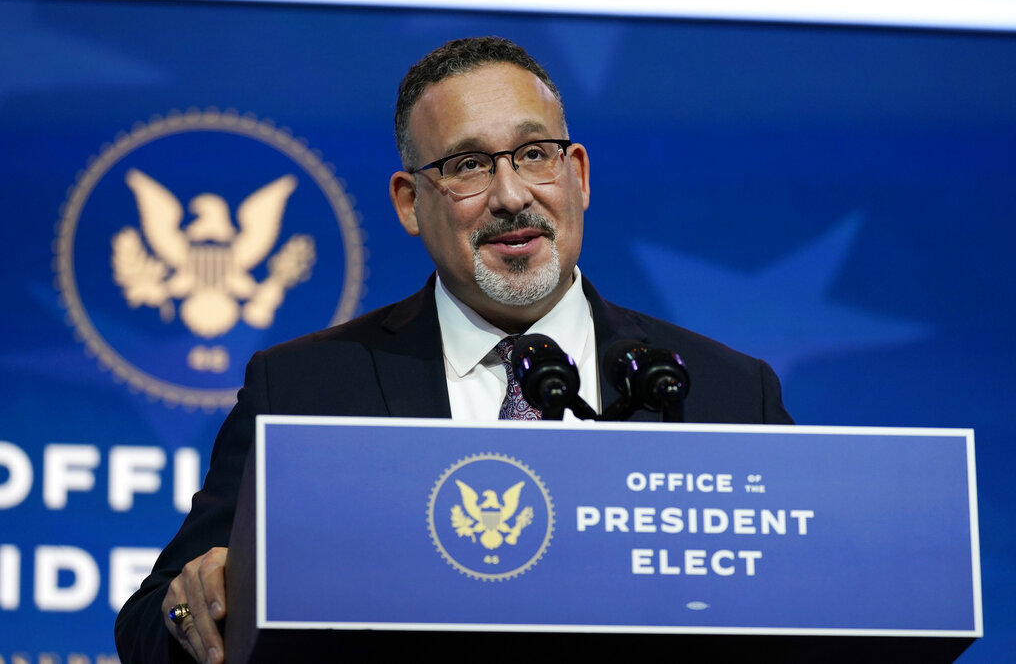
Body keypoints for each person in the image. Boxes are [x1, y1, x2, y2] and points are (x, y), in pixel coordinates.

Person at [115, 36, 792, 664]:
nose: (511, 195)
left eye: (534, 154)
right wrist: (196, 605)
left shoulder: (722, 392)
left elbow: (817, 607)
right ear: (410, 202)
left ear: (577, 174)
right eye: (468, 165)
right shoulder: (302, 388)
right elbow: (148, 624)